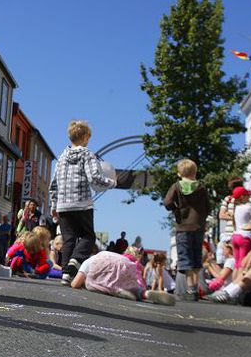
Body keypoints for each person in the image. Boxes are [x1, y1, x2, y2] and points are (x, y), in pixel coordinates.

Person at [50, 120, 116, 285]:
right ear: (86, 137)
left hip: (63, 205)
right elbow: (94, 177)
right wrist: (112, 182)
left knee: (69, 239)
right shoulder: (87, 154)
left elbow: (54, 183)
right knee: (88, 236)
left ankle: (66, 274)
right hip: (81, 203)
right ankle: (75, 261)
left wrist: (53, 205)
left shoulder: (62, 157)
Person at [163, 158, 211, 301]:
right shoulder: (201, 187)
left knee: (185, 257)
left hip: (183, 227)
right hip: (198, 226)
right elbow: (208, 207)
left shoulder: (176, 186)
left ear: (179, 173)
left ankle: (190, 290)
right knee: (197, 256)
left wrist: (177, 210)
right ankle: (195, 288)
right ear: (195, 172)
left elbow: (167, 202)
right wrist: (201, 218)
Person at [70, 247, 175, 306]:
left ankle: (118, 291)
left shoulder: (88, 261)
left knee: (94, 284)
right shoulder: (106, 254)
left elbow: (75, 284)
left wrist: (77, 281)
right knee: (132, 287)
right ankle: (145, 294)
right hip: (126, 264)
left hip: (103, 265)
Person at [229, 186, 251, 280]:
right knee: (243, 263)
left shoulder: (237, 208)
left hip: (235, 236)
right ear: (242, 197)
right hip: (245, 237)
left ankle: (232, 285)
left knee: (236, 264)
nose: (249, 197)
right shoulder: (248, 207)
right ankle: (238, 286)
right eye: (247, 195)